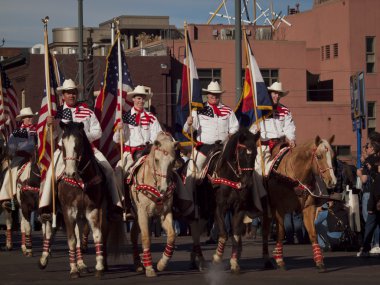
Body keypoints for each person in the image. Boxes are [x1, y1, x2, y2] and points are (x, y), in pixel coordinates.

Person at [39, 79, 124, 218]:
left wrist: (82, 139)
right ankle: (47, 207)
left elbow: (98, 131)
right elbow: (51, 138)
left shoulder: (87, 112)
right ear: (63, 96)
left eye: (73, 93)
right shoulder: (57, 114)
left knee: (108, 170)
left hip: (87, 149)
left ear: (77, 94)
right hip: (64, 151)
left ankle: (115, 205)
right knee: (50, 174)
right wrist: (51, 126)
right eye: (68, 93)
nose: (71, 95)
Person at [113, 85, 162, 219]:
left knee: (167, 170)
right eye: (138, 98)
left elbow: (157, 135)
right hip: (130, 153)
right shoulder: (125, 117)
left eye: (143, 98)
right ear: (133, 99)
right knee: (118, 173)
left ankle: (166, 201)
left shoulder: (151, 117)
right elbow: (116, 139)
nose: (141, 101)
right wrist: (119, 129)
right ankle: (125, 204)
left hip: (147, 152)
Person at [183, 80, 239, 179]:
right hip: (204, 149)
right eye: (212, 94)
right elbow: (188, 130)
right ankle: (188, 193)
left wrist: (232, 133)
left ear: (220, 95)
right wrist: (189, 123)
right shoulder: (199, 110)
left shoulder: (228, 110)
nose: (214, 96)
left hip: (223, 148)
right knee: (191, 171)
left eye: (217, 94)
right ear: (207, 95)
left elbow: (235, 126)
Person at [250, 81, 296, 176]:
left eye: (279, 94)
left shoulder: (285, 110)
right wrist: (255, 132)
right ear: (270, 94)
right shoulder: (259, 109)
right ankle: (261, 191)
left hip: (280, 145)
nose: (277, 96)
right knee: (258, 170)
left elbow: (289, 127)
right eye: (275, 93)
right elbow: (252, 126)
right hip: (263, 145)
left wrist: (291, 139)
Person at [0, 107, 38, 209]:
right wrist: (10, 150)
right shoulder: (16, 133)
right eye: (27, 117)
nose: (30, 119)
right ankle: (8, 198)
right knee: (10, 173)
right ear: (22, 119)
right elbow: (10, 148)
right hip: (20, 158)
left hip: (35, 157)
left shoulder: (37, 130)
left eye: (30, 117)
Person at [357, 132, 380, 257]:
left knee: (370, 221)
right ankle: (371, 245)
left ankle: (371, 245)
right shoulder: (374, 161)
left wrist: (359, 174)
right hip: (373, 195)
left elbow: (365, 179)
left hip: (371, 194)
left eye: (367, 146)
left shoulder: (370, 161)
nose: (366, 148)